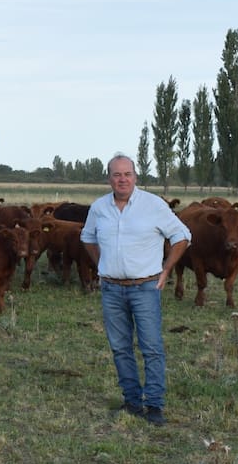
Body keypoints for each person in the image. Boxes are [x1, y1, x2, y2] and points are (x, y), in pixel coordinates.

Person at [80, 153, 191, 426]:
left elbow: (182, 236)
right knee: (120, 347)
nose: (122, 179)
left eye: (127, 174)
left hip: (145, 287)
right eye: (117, 175)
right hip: (111, 289)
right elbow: (88, 238)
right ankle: (131, 401)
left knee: (151, 346)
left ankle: (153, 405)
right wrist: (102, 264)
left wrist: (166, 269)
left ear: (135, 177)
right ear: (109, 178)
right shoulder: (99, 208)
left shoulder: (153, 205)